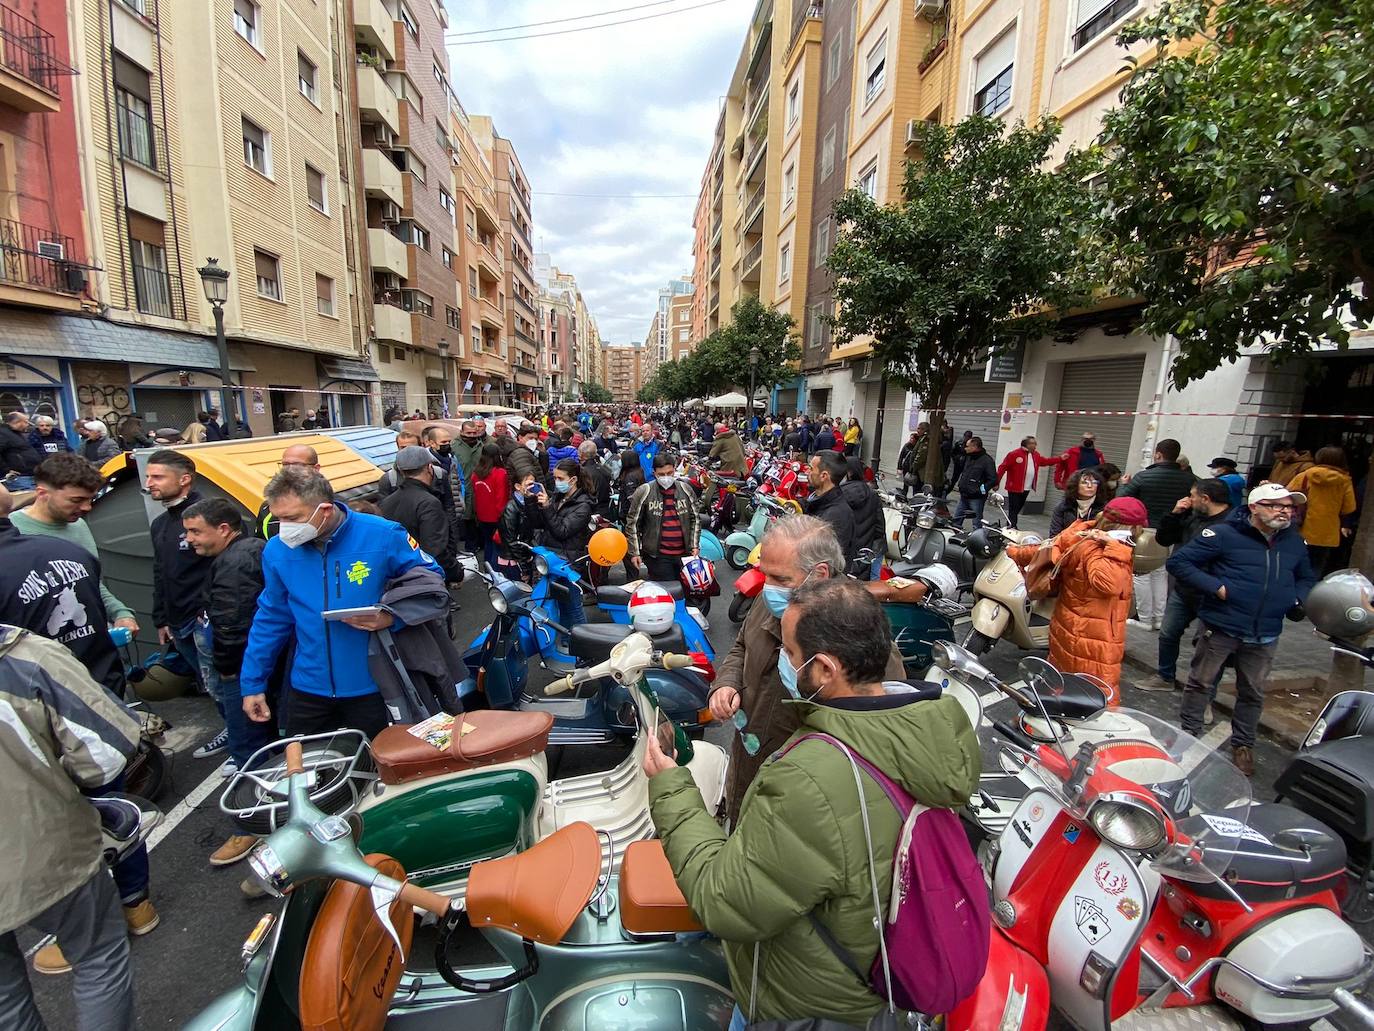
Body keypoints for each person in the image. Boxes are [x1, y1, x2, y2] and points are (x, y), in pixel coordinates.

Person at [647, 577, 978, 1027]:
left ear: (824, 669)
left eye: (788, 652)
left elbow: (727, 902)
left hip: (805, 1003)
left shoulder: (811, 777)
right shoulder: (925, 731)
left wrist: (673, 789)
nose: (783, 660)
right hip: (877, 977)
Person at [704, 516, 909, 825]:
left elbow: (881, 736)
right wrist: (727, 683)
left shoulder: (858, 633)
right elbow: (742, 645)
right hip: (748, 764)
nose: (768, 588)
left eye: (781, 579)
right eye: (765, 575)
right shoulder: (767, 602)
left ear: (820, 574)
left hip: (801, 803)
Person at [0, 624, 142, 1020]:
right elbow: (106, 757)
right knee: (98, 957)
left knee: (5, 1002)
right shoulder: (24, 658)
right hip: (45, 848)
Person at [239, 467, 442, 739]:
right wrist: (252, 683)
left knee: (383, 768)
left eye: (292, 518)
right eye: (279, 519)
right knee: (307, 772)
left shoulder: (383, 535)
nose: (285, 528)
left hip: (376, 685)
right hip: (308, 687)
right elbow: (271, 617)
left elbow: (431, 581)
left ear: (324, 510)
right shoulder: (277, 550)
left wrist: (393, 616)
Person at [1168, 483, 1318, 776]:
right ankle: (1189, 735)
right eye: (1276, 505)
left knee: (1252, 692)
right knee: (1201, 683)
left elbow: (1306, 577)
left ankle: (1243, 746)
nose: (1284, 512)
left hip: (1266, 633)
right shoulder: (1224, 534)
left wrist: (1298, 598)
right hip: (1222, 626)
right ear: (1254, 508)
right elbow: (1180, 562)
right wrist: (1217, 587)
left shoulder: (1294, 542)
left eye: (1289, 506)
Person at [181, 497, 276, 862]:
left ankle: (250, 827)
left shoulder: (234, 563)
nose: (190, 539)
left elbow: (234, 627)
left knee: (246, 748)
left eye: (195, 531)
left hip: (241, 672)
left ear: (224, 529)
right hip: (257, 668)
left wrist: (227, 672)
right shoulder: (249, 551)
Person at [1006, 496, 1147, 703]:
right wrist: (1116, 548)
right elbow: (1108, 584)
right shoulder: (1104, 550)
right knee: (1099, 697)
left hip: (1070, 627)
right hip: (1093, 639)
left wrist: (1015, 552)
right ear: (1129, 527)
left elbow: (1047, 548)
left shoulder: (1081, 533)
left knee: (1062, 684)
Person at [9, 455, 139, 638]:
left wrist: (120, 612)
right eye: (77, 500)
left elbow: (89, 582)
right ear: (42, 493)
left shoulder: (79, 526)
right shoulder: (12, 532)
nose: (87, 507)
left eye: (90, 499)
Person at [1138, 478, 1233, 694]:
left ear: (1205, 499)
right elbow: (1164, 539)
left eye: (1192, 495)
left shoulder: (1232, 524)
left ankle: (1204, 696)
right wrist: (1174, 514)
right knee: (1168, 633)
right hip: (1184, 590)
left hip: (1212, 593)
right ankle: (1165, 676)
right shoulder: (1192, 516)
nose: (1188, 499)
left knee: (1209, 646)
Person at [1116, 438, 1195, 630]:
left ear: (1158, 454)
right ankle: (1159, 618)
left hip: (1146, 531)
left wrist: (1123, 484)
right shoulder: (1190, 479)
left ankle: (1144, 618)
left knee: (1141, 573)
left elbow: (1122, 500)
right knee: (1161, 573)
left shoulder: (1144, 477)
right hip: (1171, 532)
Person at [527, 459, 595, 627]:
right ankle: (567, 640)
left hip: (568, 562)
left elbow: (562, 531)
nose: (556, 482)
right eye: (555, 477)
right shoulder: (558, 497)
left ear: (573, 480)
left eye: (560, 478)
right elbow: (538, 523)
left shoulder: (583, 505)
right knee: (561, 604)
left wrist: (547, 507)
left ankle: (583, 645)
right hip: (552, 558)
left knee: (573, 606)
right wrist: (531, 501)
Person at [380, 446, 458, 577]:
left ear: (401, 471)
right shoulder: (429, 503)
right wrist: (456, 572)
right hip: (425, 577)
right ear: (429, 467)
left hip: (397, 574)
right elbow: (435, 550)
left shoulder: (387, 502)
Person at [626, 452, 700, 582]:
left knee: (686, 592)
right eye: (661, 474)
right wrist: (635, 552)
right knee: (667, 591)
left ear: (674, 470)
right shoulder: (644, 492)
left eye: (669, 473)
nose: (666, 477)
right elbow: (633, 524)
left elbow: (695, 519)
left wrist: (694, 546)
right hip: (657, 556)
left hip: (685, 555)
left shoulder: (686, 490)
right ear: (654, 473)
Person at [1287, 446, 1357, 575]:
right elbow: (1349, 507)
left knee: (1295, 563)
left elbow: (1287, 496)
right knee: (1316, 566)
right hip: (1327, 532)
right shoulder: (1344, 481)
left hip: (1301, 527)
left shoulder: (1304, 476)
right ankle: (1309, 591)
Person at [805, 450, 856, 567]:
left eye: (811, 468)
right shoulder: (816, 501)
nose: (808, 472)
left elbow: (826, 561)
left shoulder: (837, 515)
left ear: (824, 476)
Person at [258, 443, 321, 537]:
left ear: (316, 468)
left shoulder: (333, 505)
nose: (290, 470)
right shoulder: (267, 508)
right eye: (285, 465)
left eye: (297, 465)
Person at [997, 436, 1059, 529]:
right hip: (1014, 486)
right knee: (1014, 508)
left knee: (1018, 507)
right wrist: (996, 482)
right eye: (1033, 443)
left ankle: (1010, 523)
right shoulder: (1014, 454)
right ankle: (1012, 526)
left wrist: (1060, 459)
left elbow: (1045, 461)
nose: (1035, 445)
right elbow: (1002, 467)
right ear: (1027, 444)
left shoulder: (1036, 455)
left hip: (1027, 487)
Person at [469, 443, 510, 570]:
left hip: (482, 515)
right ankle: (495, 572)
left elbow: (475, 495)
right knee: (497, 546)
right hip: (496, 516)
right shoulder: (501, 473)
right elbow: (501, 497)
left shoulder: (476, 473)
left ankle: (487, 570)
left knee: (488, 543)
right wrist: (503, 517)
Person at [841, 456, 883, 578]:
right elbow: (880, 527)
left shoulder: (838, 493)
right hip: (866, 550)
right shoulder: (873, 495)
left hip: (845, 552)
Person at [496, 468, 537, 576]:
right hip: (513, 561)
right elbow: (511, 541)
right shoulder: (511, 508)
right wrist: (523, 566)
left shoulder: (529, 503)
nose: (532, 488)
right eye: (528, 484)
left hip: (524, 556)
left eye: (534, 484)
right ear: (518, 486)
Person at [952, 435, 997, 528]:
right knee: (956, 519)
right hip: (964, 495)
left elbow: (992, 479)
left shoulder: (987, 461)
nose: (965, 448)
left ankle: (977, 538)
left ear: (975, 447)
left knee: (977, 521)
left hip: (976, 497)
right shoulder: (969, 457)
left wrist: (981, 490)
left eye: (967, 446)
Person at [1, 411, 41, 489]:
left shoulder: (17, 434)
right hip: (18, 478)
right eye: (26, 422)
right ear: (18, 422)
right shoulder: (4, 433)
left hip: (29, 476)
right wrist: (6, 470)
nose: (28, 424)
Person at [577, 440, 612, 517]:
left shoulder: (583, 472)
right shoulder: (603, 468)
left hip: (592, 511)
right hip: (605, 509)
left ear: (581, 454)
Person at [508, 422, 543, 487]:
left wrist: (543, 453)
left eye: (535, 439)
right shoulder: (520, 453)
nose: (533, 441)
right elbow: (527, 478)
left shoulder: (530, 452)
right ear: (520, 438)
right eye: (530, 438)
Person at [897, 424, 929, 496]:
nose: (917, 430)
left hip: (916, 470)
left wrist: (913, 468)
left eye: (919, 429)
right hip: (908, 468)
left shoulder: (924, 441)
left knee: (917, 488)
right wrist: (899, 467)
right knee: (906, 485)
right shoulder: (907, 445)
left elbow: (920, 457)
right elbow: (901, 457)